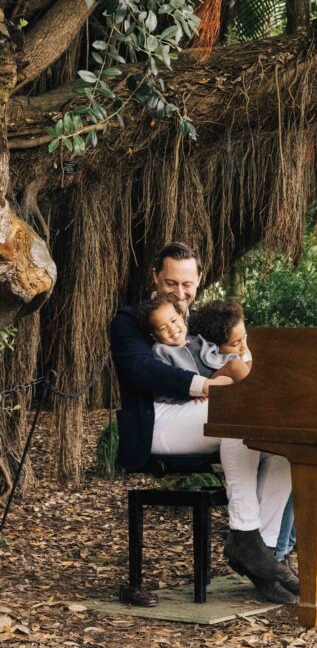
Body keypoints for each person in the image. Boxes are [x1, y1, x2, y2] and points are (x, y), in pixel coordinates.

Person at [110, 242, 297, 604]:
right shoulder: (131, 319)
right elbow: (141, 368)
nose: (180, 293)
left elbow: (232, 354)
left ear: (199, 281)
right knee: (236, 418)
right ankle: (245, 535)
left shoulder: (198, 322)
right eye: (171, 283)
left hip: (203, 414)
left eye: (187, 284)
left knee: (284, 442)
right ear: (155, 276)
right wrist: (206, 385)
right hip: (157, 422)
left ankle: (265, 556)